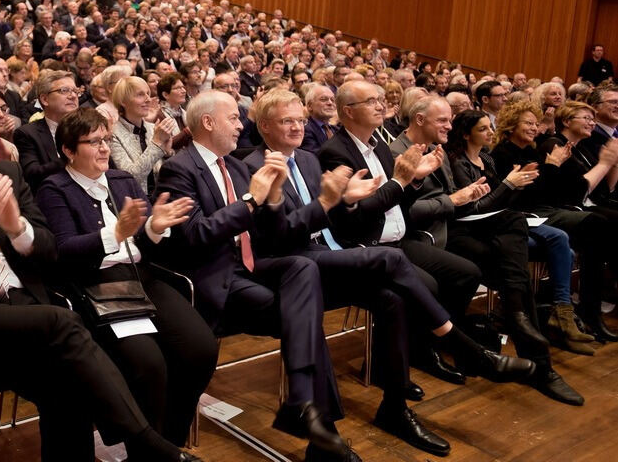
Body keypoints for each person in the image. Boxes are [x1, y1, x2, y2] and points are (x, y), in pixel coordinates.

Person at [0, 91, 201, 462]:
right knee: (63, 322)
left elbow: (49, 251)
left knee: (67, 382)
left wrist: (17, 229)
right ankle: (147, 443)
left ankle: (142, 445)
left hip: (20, 311)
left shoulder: (6, 173)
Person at [248, 89, 536, 455]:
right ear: (263, 126)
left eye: (300, 120)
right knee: (392, 260)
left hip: (327, 253)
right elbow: (280, 237)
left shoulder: (305, 159)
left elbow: (337, 221)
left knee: (393, 299)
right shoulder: (252, 165)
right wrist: (336, 199)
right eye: (286, 121)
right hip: (292, 264)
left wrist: (350, 198)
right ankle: (464, 348)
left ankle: (395, 408)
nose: (296, 127)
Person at [155, 89, 359, 459]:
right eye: (234, 117)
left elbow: (275, 232)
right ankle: (317, 427)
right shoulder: (179, 168)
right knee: (304, 317)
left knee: (302, 266)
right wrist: (251, 200)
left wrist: (277, 196)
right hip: (213, 278)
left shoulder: (234, 165)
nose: (241, 124)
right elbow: (193, 236)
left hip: (250, 265)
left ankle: (302, 404)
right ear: (208, 122)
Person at [36, 108, 217, 448]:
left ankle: (168, 441)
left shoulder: (122, 180)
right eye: (93, 142)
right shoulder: (54, 188)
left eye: (106, 140)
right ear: (69, 151)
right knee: (149, 364)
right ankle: (146, 450)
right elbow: (63, 251)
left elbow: (143, 242)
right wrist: (115, 233)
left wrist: (154, 226)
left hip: (141, 276)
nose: (104, 148)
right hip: (96, 286)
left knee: (200, 349)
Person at [391, 95, 582, 404]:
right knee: (509, 263)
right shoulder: (397, 152)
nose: (450, 126)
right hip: (430, 235)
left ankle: (521, 324)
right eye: (444, 120)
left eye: (451, 120)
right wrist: (458, 199)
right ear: (420, 120)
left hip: (455, 226)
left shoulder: (441, 151)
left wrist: (467, 197)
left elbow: (460, 202)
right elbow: (403, 210)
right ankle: (529, 342)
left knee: (513, 232)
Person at [317, 82, 484, 385]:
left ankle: (424, 347)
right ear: (348, 111)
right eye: (371, 101)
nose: (381, 105)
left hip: (398, 239)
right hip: (364, 244)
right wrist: (402, 181)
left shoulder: (380, 145)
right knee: (427, 284)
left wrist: (414, 181)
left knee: (466, 273)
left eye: (381, 100)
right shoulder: (333, 152)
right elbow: (358, 215)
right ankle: (402, 359)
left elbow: (398, 200)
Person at [446, 110, 594, 356]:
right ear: (465, 134)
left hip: (506, 218)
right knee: (557, 239)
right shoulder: (458, 162)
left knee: (562, 245)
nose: (490, 132)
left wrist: (521, 183)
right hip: (480, 225)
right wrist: (510, 184)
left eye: (489, 127)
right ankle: (526, 313)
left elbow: (507, 201)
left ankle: (557, 312)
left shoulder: (487, 158)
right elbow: (478, 207)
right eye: (482, 129)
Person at [489, 99, 618, 343]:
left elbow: (543, 191)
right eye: (528, 123)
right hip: (524, 214)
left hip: (542, 209)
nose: (533, 127)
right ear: (511, 125)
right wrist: (552, 166)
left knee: (598, 225)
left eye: (536, 123)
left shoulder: (530, 150)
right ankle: (581, 309)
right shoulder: (505, 152)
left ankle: (576, 309)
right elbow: (525, 195)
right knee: (596, 224)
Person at [14, 70, 80, 192]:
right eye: (64, 91)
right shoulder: (27, 134)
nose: (73, 96)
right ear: (45, 99)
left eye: (76, 91)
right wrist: (72, 158)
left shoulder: (88, 128)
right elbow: (32, 175)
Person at [110, 76, 174, 195]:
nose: (148, 99)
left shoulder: (152, 128)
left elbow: (166, 173)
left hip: (161, 196)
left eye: (148, 93)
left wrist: (168, 154)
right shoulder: (112, 134)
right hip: (136, 203)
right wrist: (156, 144)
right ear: (123, 101)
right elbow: (131, 177)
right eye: (140, 95)